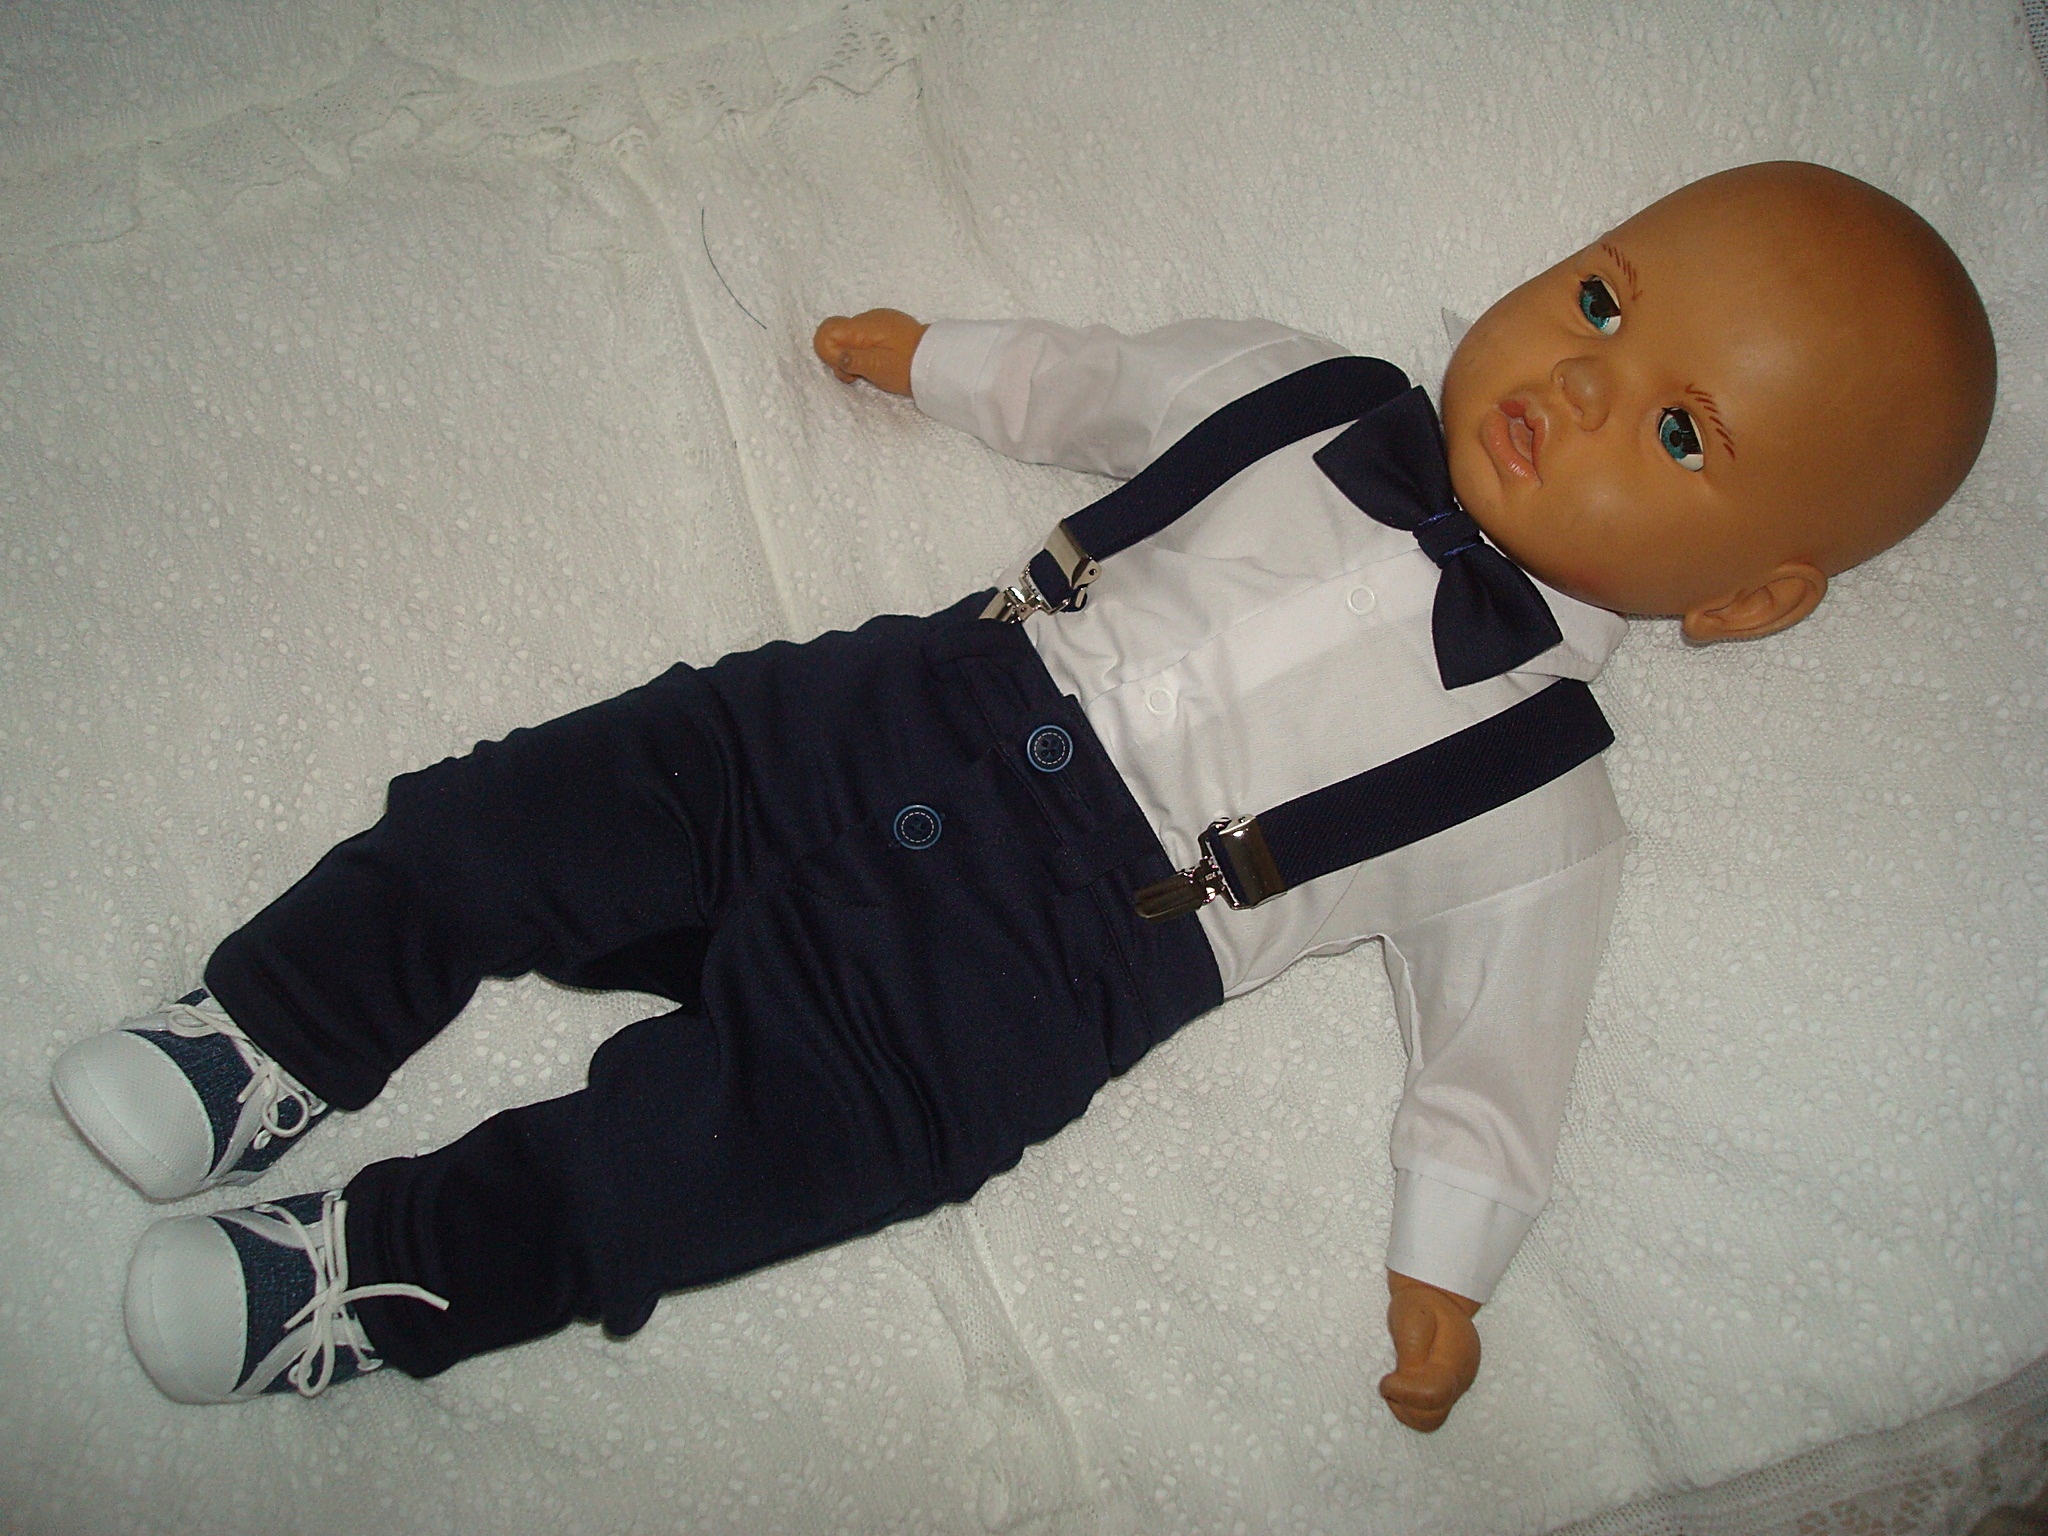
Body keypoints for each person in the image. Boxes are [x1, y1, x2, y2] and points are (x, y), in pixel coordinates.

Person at [53, 161, 1994, 1430]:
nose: (1579, 386)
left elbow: (1506, 1047)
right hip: (891, 708)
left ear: (1748, 603)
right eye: (1600, 304)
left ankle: (367, 1272)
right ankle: (265, 1026)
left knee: (684, 1172)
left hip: (1024, 979)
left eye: (1679, 429)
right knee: (536, 811)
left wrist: (1447, 1262)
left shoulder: (1542, 807)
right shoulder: (1305, 389)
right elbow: (1098, 385)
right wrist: (934, 362)